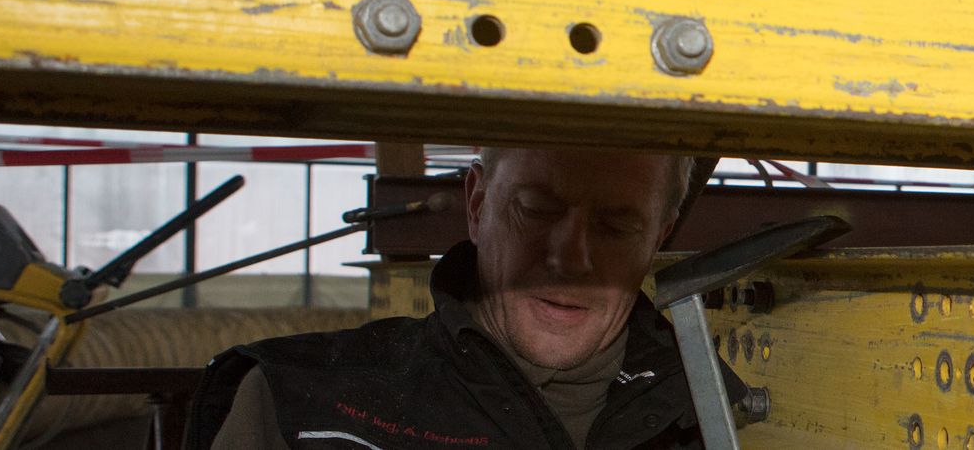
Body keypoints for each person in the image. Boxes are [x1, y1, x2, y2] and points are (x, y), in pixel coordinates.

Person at [188, 148, 727, 450]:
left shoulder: (726, 419)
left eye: (617, 226)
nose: (570, 258)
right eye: (537, 210)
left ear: (659, 237)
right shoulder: (296, 405)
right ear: (476, 205)